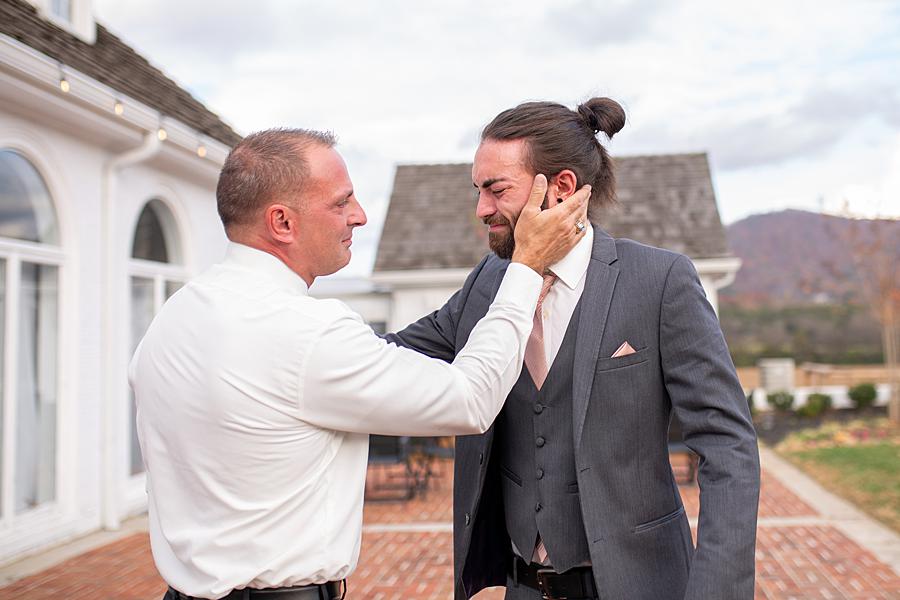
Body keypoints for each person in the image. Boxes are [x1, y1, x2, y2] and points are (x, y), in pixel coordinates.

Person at [128, 128, 590, 600]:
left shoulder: (174, 317)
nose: (360, 216)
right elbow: (468, 400)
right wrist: (526, 271)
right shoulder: (306, 332)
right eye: (340, 202)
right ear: (282, 222)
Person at [387, 98, 761, 600]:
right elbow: (389, 359)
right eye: (478, 191)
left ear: (561, 188)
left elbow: (727, 445)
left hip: (644, 586)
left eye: (496, 190)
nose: (481, 210)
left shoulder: (659, 281)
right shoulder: (485, 286)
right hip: (524, 586)